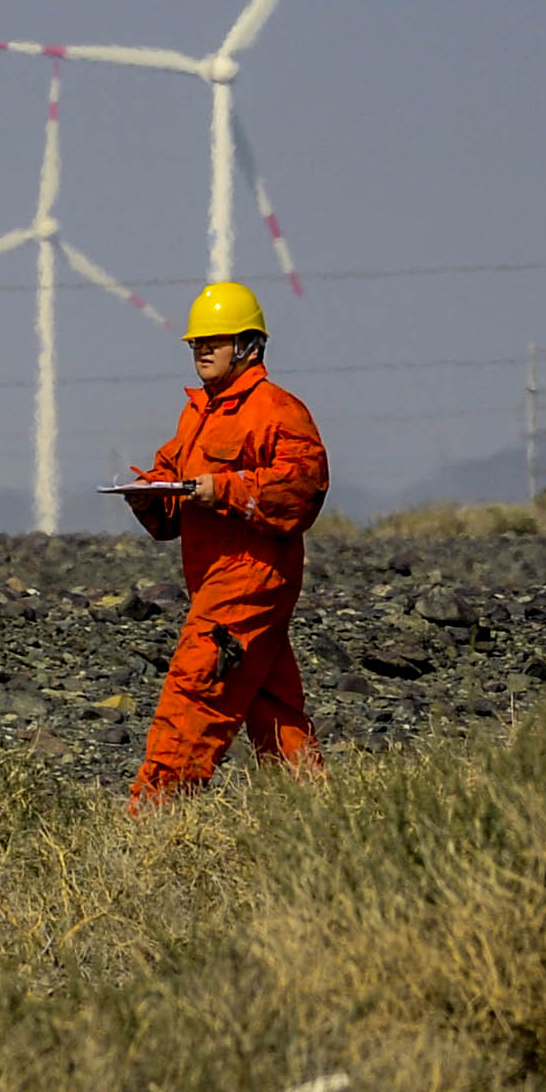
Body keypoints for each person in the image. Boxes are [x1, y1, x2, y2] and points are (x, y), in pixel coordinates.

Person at [122, 279, 328, 806]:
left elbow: (301, 491)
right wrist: (147, 493)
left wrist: (227, 489)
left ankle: (157, 813)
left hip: (252, 577)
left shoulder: (279, 410)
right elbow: (173, 486)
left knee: (196, 688)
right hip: (214, 579)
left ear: (249, 346)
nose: (202, 351)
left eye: (214, 341)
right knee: (269, 700)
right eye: (196, 343)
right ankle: (309, 811)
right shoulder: (198, 414)